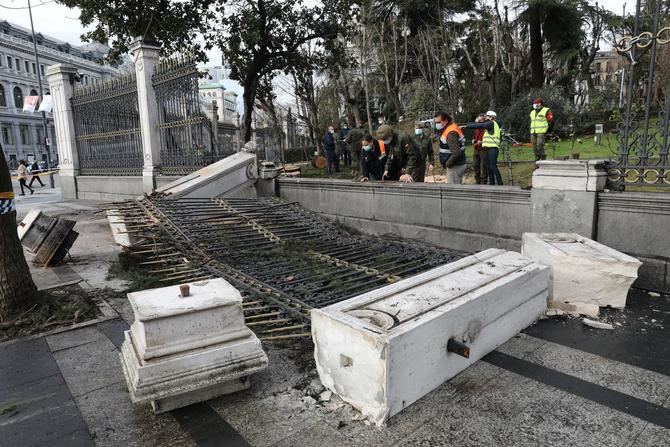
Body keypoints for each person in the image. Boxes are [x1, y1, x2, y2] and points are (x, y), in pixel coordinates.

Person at [464, 111, 503, 185]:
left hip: (492, 149)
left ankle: (500, 184)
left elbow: (480, 126)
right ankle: (492, 183)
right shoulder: (491, 125)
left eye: (487, 116)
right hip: (488, 149)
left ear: (492, 117)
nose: (485, 118)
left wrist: (467, 126)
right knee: (489, 168)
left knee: (493, 167)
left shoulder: (491, 123)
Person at [433, 112, 467, 184]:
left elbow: (456, 153)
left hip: (455, 167)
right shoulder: (452, 127)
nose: (437, 124)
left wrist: (447, 164)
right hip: (458, 164)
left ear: (446, 120)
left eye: (439, 122)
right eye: (435, 122)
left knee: (454, 191)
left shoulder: (451, 133)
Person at [469, 113, 488, 185]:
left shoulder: (486, 129)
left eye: (480, 120)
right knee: (475, 165)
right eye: (478, 120)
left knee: (483, 166)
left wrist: (481, 142)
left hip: (483, 150)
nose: (478, 122)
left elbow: (487, 139)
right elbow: (474, 138)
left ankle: (484, 181)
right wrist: (473, 140)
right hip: (476, 149)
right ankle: (477, 181)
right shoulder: (476, 129)